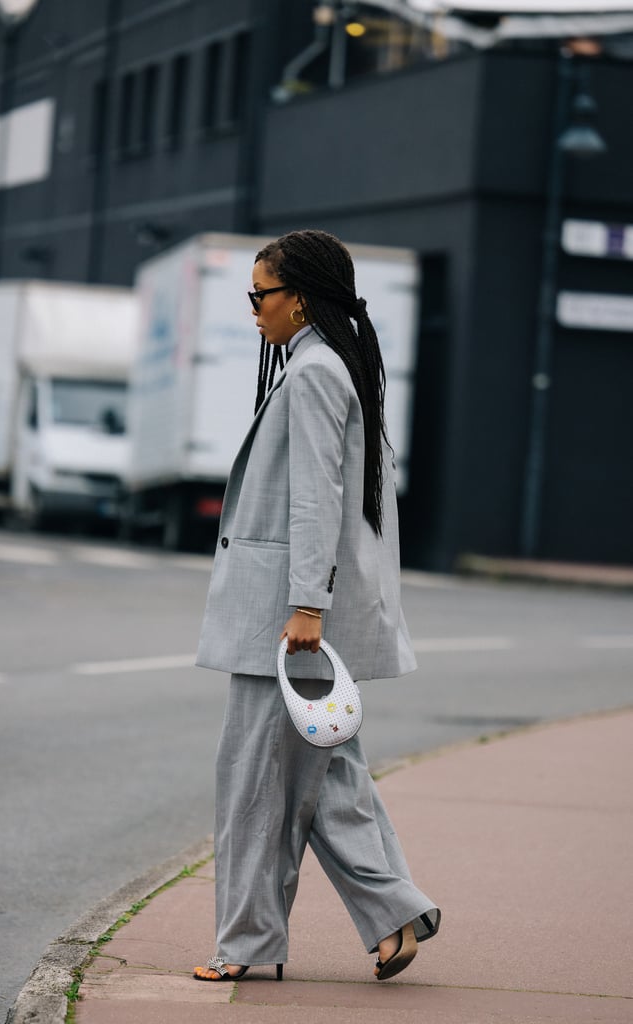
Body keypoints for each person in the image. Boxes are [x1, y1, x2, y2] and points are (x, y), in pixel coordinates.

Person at [193, 229, 440, 984]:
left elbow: (315, 502)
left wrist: (305, 608)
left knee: (253, 785)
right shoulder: (334, 365)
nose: (254, 310)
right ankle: (395, 910)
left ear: (297, 296)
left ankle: (244, 946)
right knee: (325, 778)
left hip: (286, 621)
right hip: (294, 614)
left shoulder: (313, 373)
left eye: (260, 295)